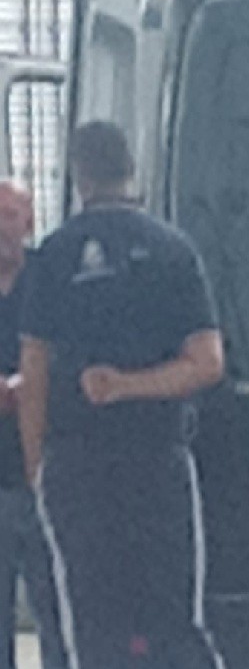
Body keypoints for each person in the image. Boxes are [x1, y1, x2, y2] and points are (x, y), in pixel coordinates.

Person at [18, 121, 227, 669]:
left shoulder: (53, 258)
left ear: (77, 174)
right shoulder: (174, 251)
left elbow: (33, 373)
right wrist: (135, 386)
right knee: (175, 618)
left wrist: (38, 466)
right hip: (157, 461)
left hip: (77, 467)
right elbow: (207, 364)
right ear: (130, 169)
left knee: (90, 623)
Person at [0, 182, 65, 669]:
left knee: (57, 611)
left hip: (44, 478)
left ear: (29, 221)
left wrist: (30, 387)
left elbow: (77, 354)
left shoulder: (52, 280)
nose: (1, 228)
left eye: (9, 215)